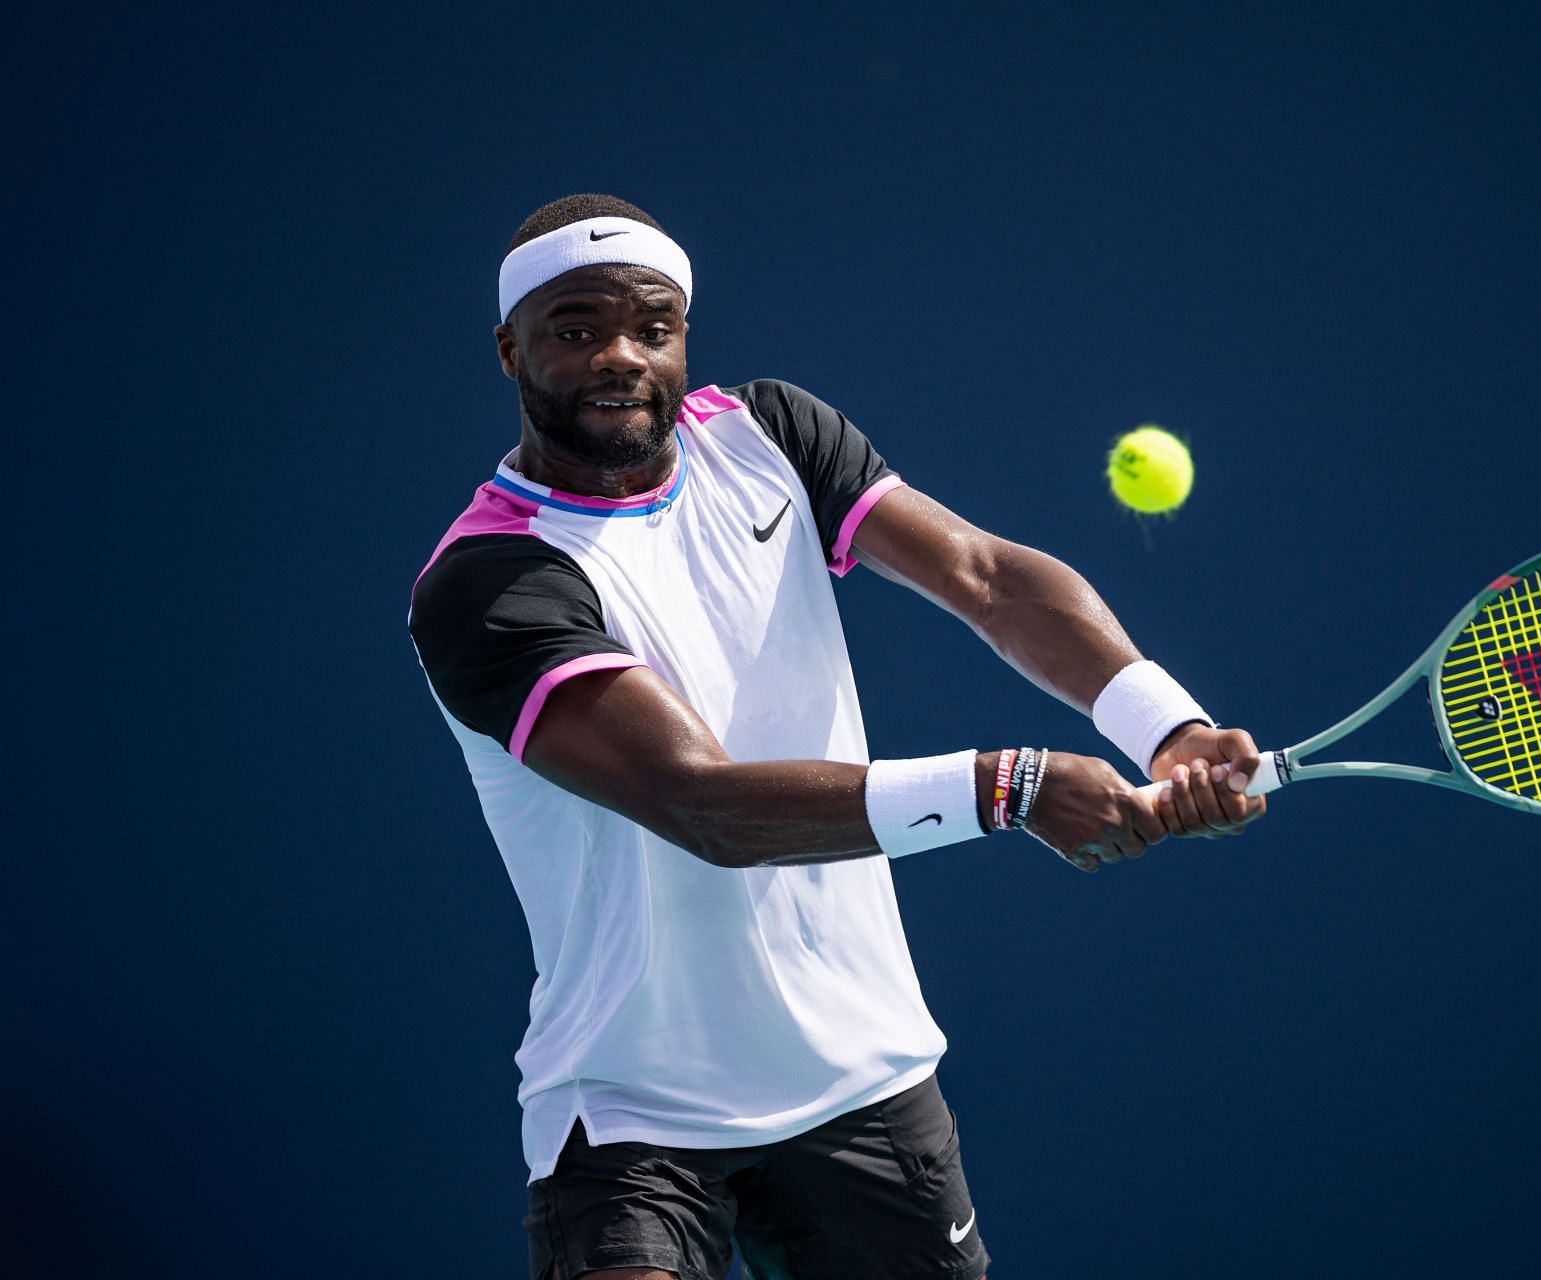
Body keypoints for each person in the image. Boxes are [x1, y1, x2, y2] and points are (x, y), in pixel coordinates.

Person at [408, 193, 1268, 1280]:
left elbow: (989, 578)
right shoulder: (489, 580)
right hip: (630, 1111)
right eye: (575, 328)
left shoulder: (769, 435)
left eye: (651, 326)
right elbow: (698, 802)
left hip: (863, 1079)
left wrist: (1168, 723)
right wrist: (1006, 785)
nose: (619, 355)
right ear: (510, 348)